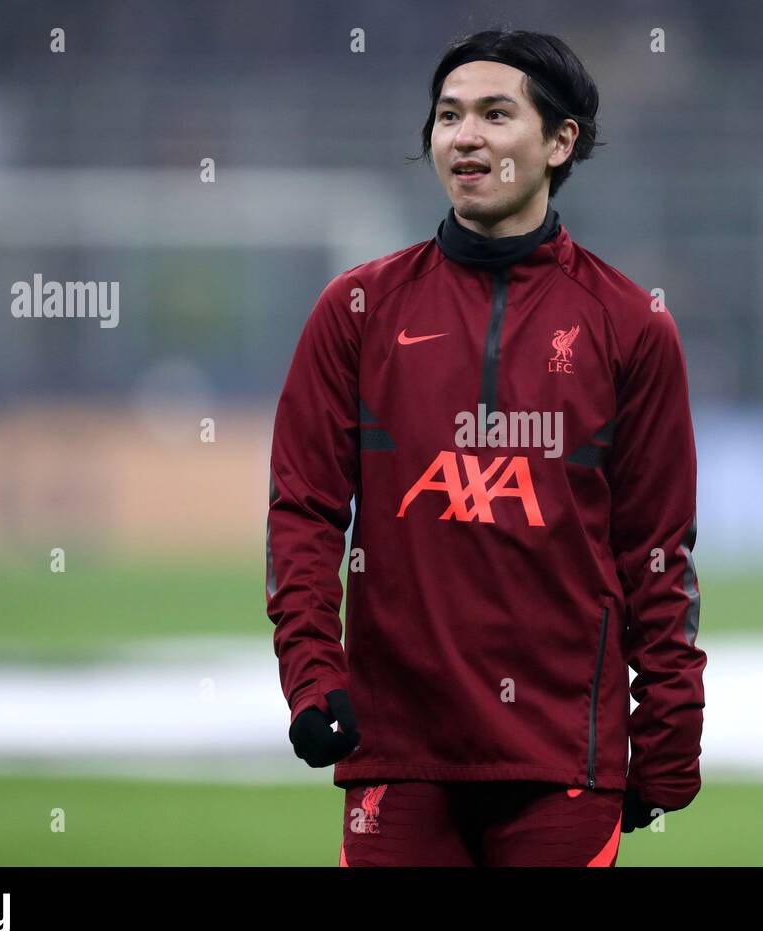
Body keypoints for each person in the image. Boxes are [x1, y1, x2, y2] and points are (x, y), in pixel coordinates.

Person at [266, 28, 705, 867]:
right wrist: (313, 677)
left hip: (562, 760)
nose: (464, 136)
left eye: (495, 114)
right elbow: (305, 513)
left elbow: (659, 552)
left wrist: (669, 739)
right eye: (447, 116)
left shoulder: (630, 325)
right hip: (399, 754)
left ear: (559, 141)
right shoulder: (354, 311)